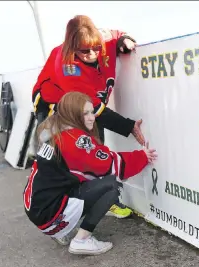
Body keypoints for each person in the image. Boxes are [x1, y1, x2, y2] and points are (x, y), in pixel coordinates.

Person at [31, 14, 144, 219]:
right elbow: (95, 109)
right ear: (73, 48)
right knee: (60, 157)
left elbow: (117, 34)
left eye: (96, 48)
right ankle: (58, 214)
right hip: (53, 105)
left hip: (84, 104)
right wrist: (129, 126)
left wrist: (123, 40)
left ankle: (100, 198)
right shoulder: (67, 68)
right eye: (84, 51)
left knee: (94, 143)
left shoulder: (99, 39)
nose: (92, 54)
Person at [23, 91, 158, 255]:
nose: (91, 117)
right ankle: (81, 240)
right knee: (111, 186)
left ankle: (60, 230)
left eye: (92, 112)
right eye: (84, 113)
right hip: (49, 215)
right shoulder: (75, 141)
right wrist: (142, 156)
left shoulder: (54, 130)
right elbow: (111, 165)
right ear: (72, 114)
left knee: (88, 178)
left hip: (37, 209)